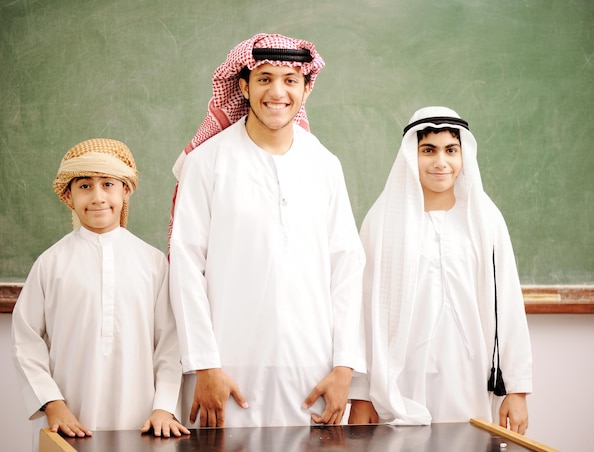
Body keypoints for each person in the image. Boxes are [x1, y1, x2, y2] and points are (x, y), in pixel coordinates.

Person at [168, 33, 366, 428]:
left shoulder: (325, 165)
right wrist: (205, 365)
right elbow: (186, 268)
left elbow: (345, 267)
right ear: (242, 86)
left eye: (290, 80)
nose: (277, 92)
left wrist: (344, 367)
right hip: (228, 369)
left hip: (313, 371)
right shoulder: (206, 163)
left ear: (307, 88)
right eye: (264, 78)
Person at [349, 107, 532, 434]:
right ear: (410, 155)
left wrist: (516, 390)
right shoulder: (382, 223)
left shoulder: (485, 221)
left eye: (451, 150)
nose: (440, 162)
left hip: (468, 376)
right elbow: (362, 314)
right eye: (428, 150)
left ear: (464, 156)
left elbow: (508, 307)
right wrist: (361, 394)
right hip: (400, 381)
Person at [11, 138, 189, 451]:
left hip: (144, 422)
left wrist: (164, 406)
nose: (97, 197)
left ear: (126, 191)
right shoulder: (50, 263)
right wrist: (52, 403)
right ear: (68, 195)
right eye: (84, 186)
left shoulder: (153, 263)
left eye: (108, 184)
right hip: (70, 422)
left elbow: (170, 343)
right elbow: (26, 341)